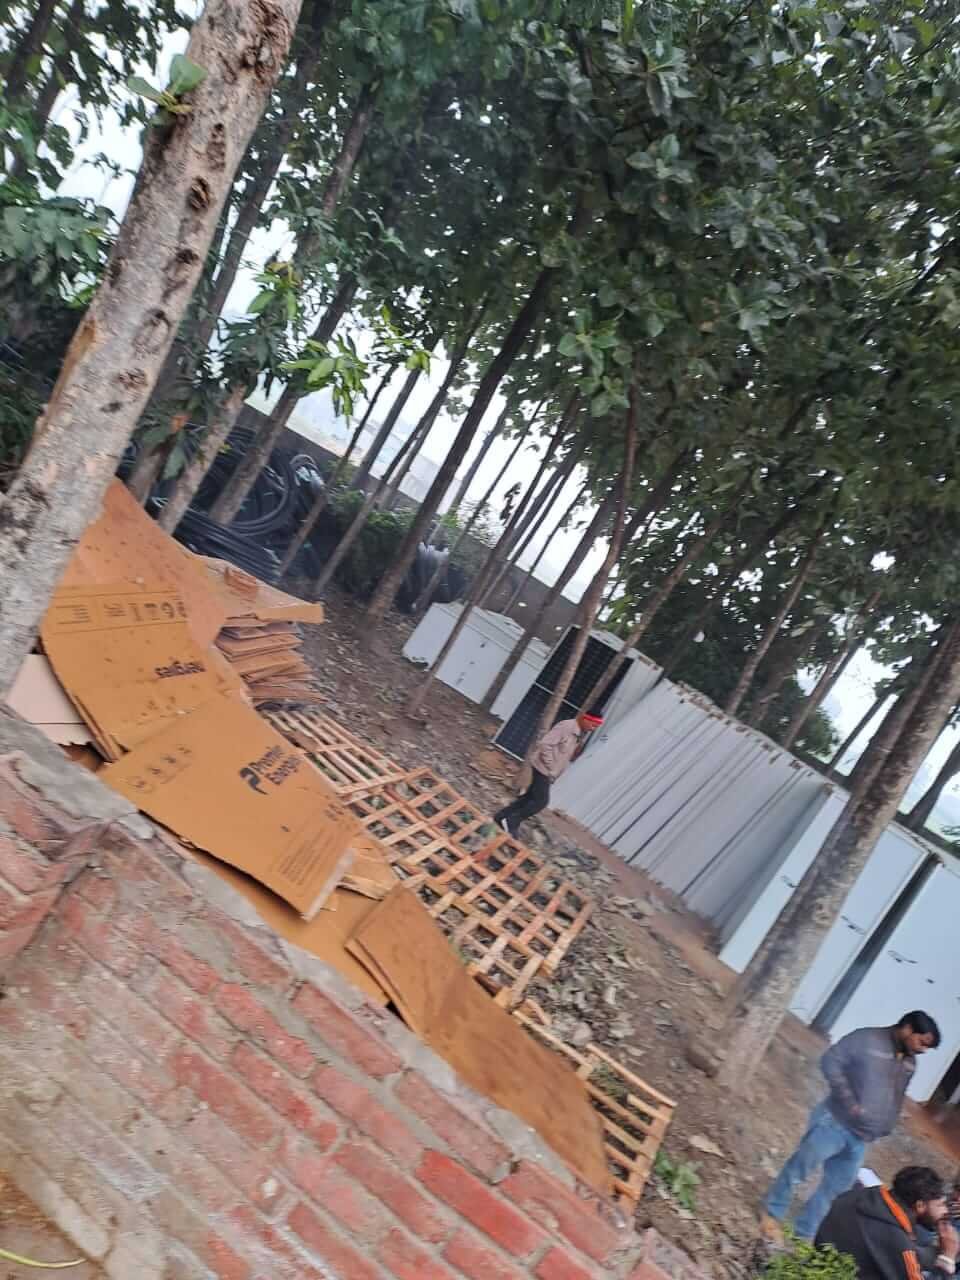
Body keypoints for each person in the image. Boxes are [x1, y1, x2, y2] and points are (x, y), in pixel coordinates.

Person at [762, 1012, 942, 1242]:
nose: (922, 1050)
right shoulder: (867, 1039)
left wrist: (887, 1124)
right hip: (834, 1122)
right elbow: (830, 1062)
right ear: (907, 1028)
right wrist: (851, 1104)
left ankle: (803, 1234)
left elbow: (897, 1096)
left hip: (862, 1138)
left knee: (834, 1190)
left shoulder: (909, 1063)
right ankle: (771, 1213)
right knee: (799, 1170)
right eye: (922, 1042)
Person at [815, 1165, 959, 1279]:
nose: (945, 1211)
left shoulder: (861, 1194)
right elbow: (899, 1249)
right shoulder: (899, 1244)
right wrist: (948, 1258)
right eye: (941, 1205)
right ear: (920, 1206)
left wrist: (938, 1251)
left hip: (818, 1264)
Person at [493, 710, 604, 839]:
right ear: (586, 719)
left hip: (548, 771)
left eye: (596, 727)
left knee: (529, 797)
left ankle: (501, 816)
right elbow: (545, 744)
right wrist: (551, 766)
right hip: (543, 768)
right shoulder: (567, 726)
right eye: (593, 725)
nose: (593, 729)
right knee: (541, 801)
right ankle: (511, 821)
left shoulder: (578, 734)